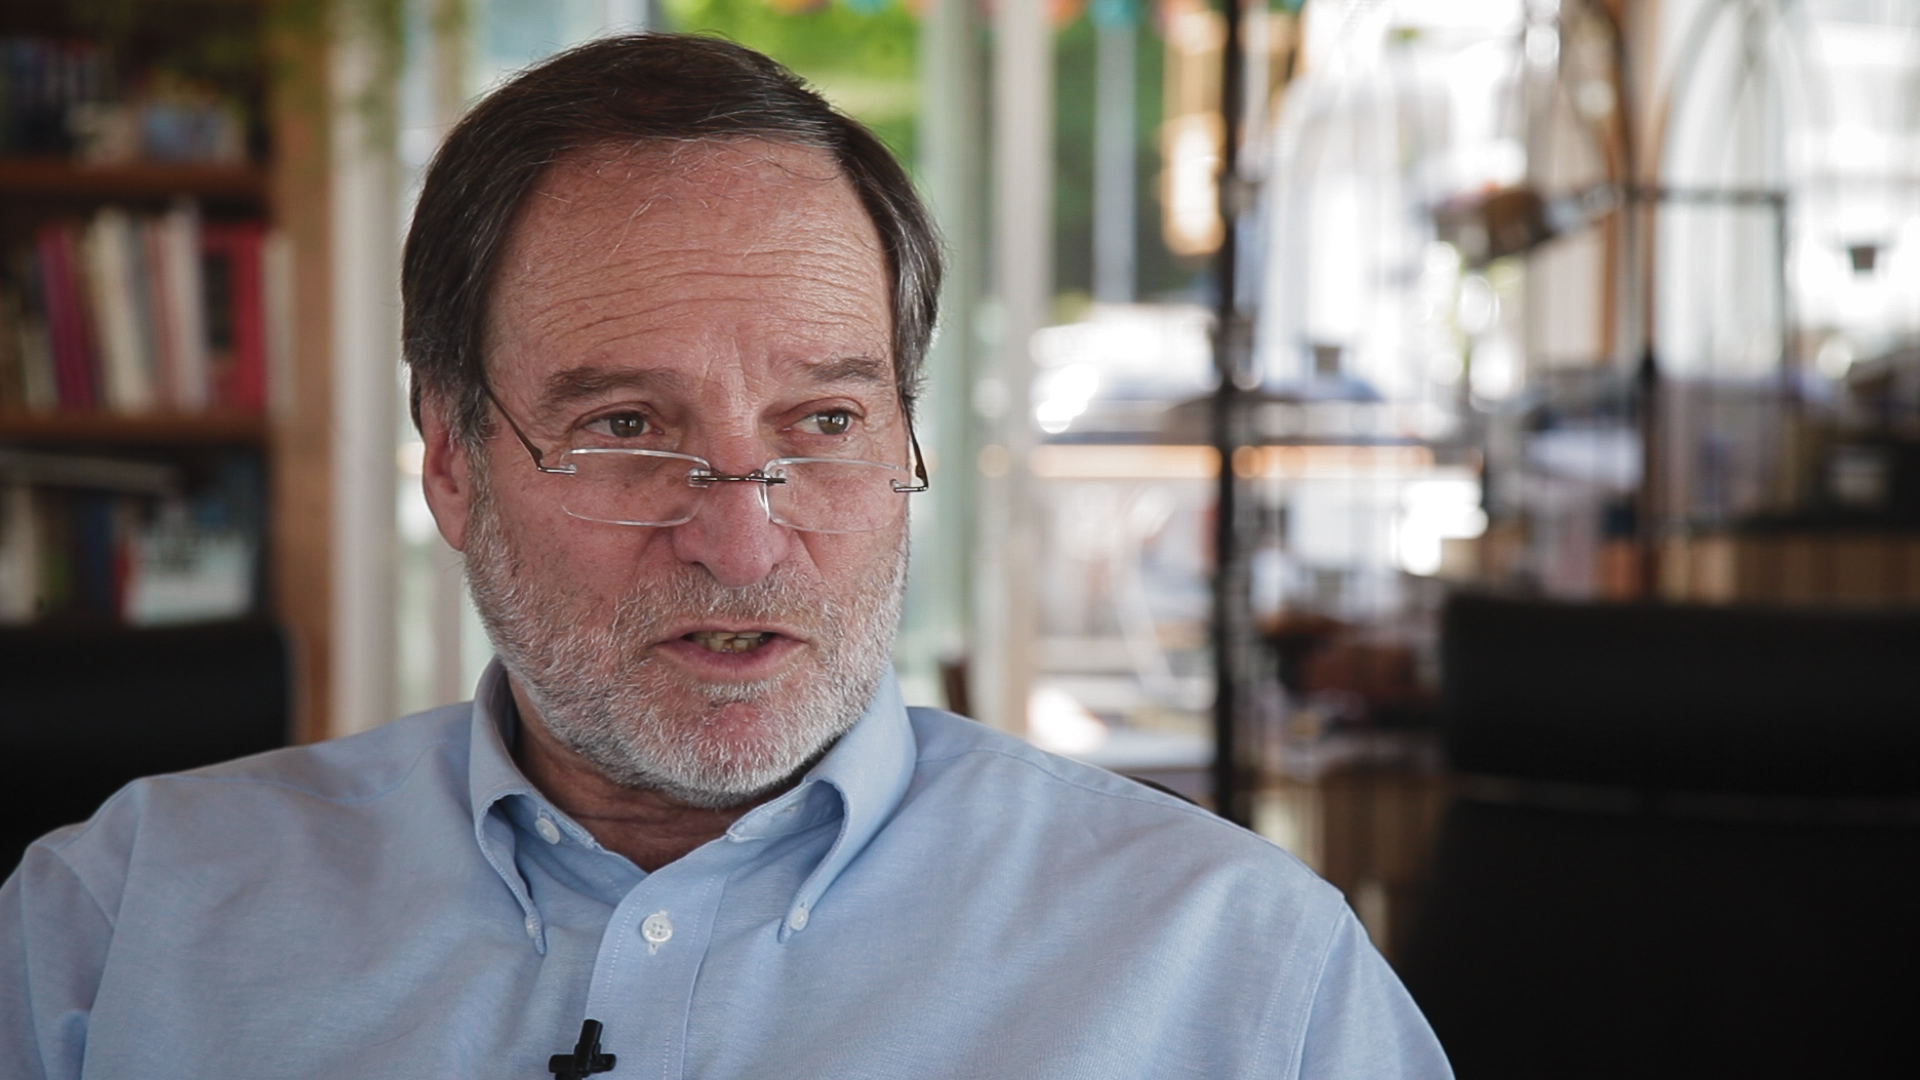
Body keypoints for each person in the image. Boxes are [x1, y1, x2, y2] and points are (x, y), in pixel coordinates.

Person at [0, 34, 1449, 1079]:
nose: (742, 540)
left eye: (825, 422)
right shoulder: (117, 932)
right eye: (626, 427)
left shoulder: (1241, 973)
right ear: (450, 459)